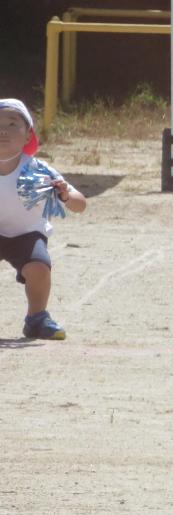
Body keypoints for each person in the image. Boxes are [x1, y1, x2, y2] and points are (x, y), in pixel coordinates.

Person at [0, 98, 86, 340]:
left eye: (12, 124)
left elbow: (80, 204)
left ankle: (36, 318)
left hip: (27, 234)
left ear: (28, 135)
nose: (3, 131)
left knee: (39, 267)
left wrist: (65, 195)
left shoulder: (37, 170)